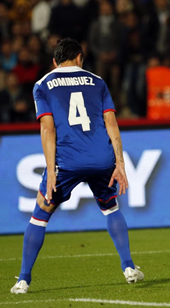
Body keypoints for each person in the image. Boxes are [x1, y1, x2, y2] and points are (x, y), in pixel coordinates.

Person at [10, 38, 143, 294]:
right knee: (110, 206)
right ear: (80, 58)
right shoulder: (98, 81)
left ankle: (23, 280)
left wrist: (50, 170)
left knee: (40, 214)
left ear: (54, 62)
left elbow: (48, 129)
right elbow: (111, 124)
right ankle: (128, 267)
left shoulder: (43, 84)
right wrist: (120, 163)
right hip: (102, 159)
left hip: (67, 162)